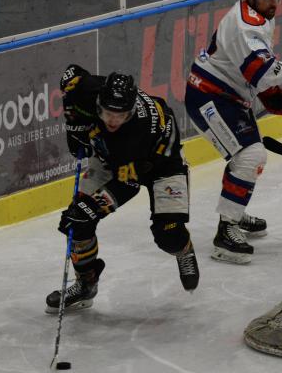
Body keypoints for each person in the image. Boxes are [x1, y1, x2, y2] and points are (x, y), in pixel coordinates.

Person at [184, 0, 282, 264]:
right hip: (208, 96)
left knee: (246, 158)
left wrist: (264, 91)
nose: (274, 3)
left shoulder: (259, 17)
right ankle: (226, 232)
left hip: (229, 97)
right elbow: (260, 68)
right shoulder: (244, 24)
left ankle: (232, 212)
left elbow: (247, 68)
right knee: (249, 157)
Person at [45, 65, 200, 313]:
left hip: (162, 164)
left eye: (121, 116)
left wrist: (93, 206)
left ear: (131, 113)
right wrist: (72, 116)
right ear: (99, 103)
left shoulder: (135, 132)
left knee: (168, 233)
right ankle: (86, 283)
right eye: (107, 114)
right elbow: (71, 75)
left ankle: (183, 250)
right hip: (112, 160)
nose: (113, 121)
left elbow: (128, 185)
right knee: (78, 221)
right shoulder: (89, 91)